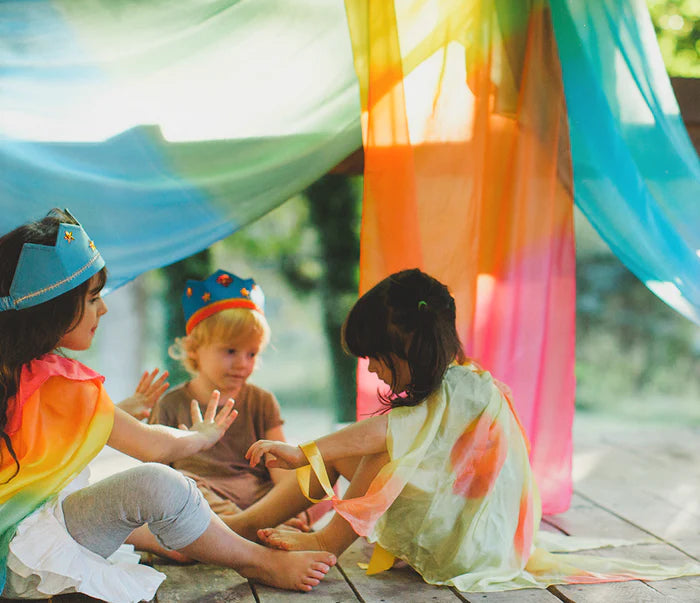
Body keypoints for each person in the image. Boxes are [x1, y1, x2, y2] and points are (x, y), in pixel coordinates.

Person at [232, 268, 699, 593]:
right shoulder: (458, 384)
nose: (372, 368)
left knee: (372, 451)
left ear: (411, 346)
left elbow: (383, 436)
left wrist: (300, 451)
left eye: (376, 355)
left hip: (468, 543)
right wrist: (314, 454)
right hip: (454, 518)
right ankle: (260, 524)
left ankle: (319, 541)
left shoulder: (465, 389)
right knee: (345, 447)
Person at [0, 209, 336, 603]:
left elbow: (40, 433)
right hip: (32, 557)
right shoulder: (65, 381)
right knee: (159, 482)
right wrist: (198, 436)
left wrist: (121, 410)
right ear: (51, 310)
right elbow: (155, 448)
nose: (103, 310)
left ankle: (176, 538)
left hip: (20, 552)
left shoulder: (18, 372)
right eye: (92, 299)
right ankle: (256, 560)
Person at [149, 270, 311, 529]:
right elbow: (157, 472)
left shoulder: (262, 401)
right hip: (201, 500)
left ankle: (247, 527)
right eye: (230, 351)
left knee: (320, 474)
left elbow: (280, 466)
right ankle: (246, 528)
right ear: (195, 349)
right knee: (181, 483)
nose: (242, 364)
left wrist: (290, 503)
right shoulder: (171, 404)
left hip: (256, 496)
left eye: (252, 354)